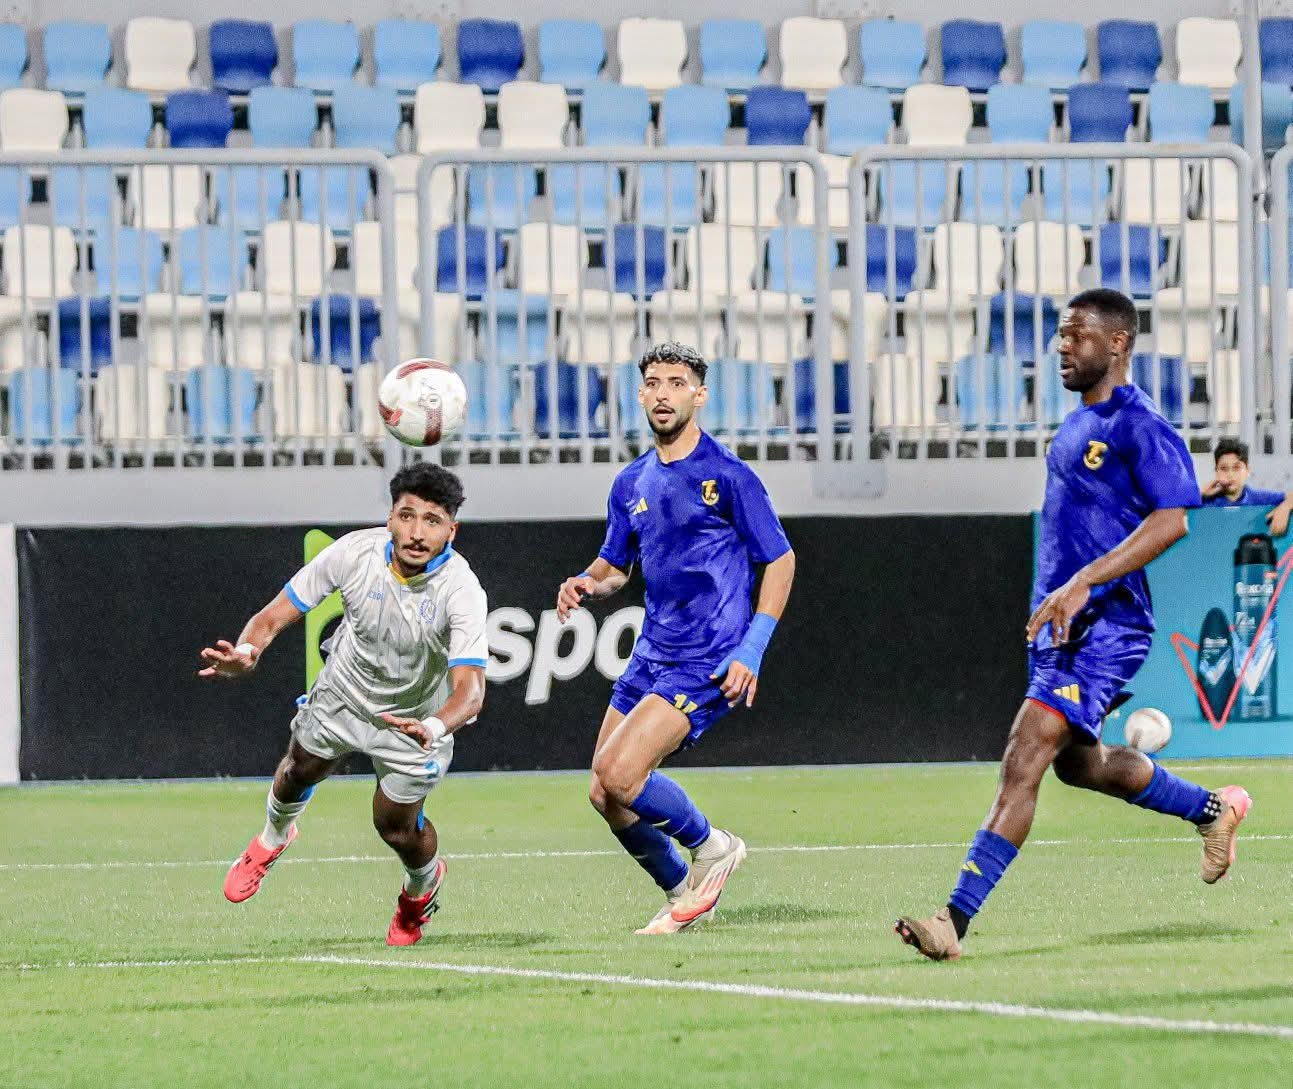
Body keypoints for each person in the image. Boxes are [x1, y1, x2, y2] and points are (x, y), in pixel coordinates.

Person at [896, 289, 1252, 961]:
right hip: (1061, 629)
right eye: (1061, 334)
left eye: (1076, 334)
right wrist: (1054, 599)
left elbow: (1172, 520)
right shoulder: (1075, 423)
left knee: (1024, 754)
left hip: (1107, 628)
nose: (1062, 345)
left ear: (1117, 343)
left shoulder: (1140, 425)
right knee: (1079, 766)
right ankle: (1212, 808)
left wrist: (1083, 583)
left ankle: (952, 920)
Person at [556, 342, 796, 935]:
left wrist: (752, 648)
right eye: (654, 383)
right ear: (640, 395)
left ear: (699, 395)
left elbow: (781, 560)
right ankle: (682, 892)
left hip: (709, 656)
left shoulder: (729, 475)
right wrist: (586, 582)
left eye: (677, 382)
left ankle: (714, 846)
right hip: (651, 654)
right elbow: (616, 566)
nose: (664, 394)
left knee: (620, 774)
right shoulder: (629, 482)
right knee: (604, 794)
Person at [199, 463, 488, 947]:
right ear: (390, 518)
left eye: (433, 520)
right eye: (407, 516)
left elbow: (471, 691)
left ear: (451, 531)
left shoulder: (462, 590)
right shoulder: (354, 553)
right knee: (299, 769)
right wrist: (247, 652)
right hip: (343, 695)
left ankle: (420, 889)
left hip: (415, 719)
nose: (417, 533)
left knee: (395, 828)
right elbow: (272, 616)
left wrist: (435, 727)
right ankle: (274, 837)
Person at [1201, 437, 1293, 535]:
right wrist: (1200, 494)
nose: (1230, 474)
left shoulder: (1259, 498)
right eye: (1224, 468)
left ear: (1247, 470)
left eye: (1236, 468)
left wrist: (1285, 507)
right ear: (1216, 471)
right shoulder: (1205, 502)